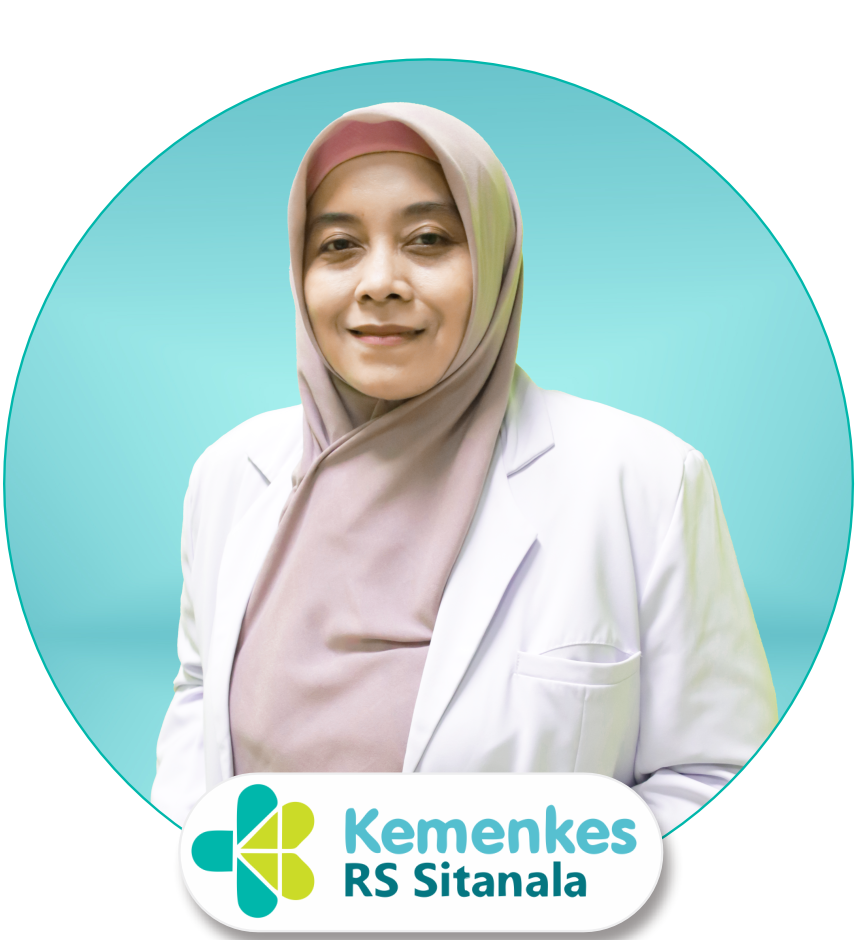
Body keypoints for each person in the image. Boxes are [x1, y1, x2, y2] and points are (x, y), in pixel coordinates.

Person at [151, 103, 777, 834]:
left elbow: (718, 775)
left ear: (493, 259)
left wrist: (488, 886)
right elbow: (199, 707)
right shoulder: (229, 474)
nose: (379, 282)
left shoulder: (646, 481)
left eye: (428, 240)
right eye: (339, 245)